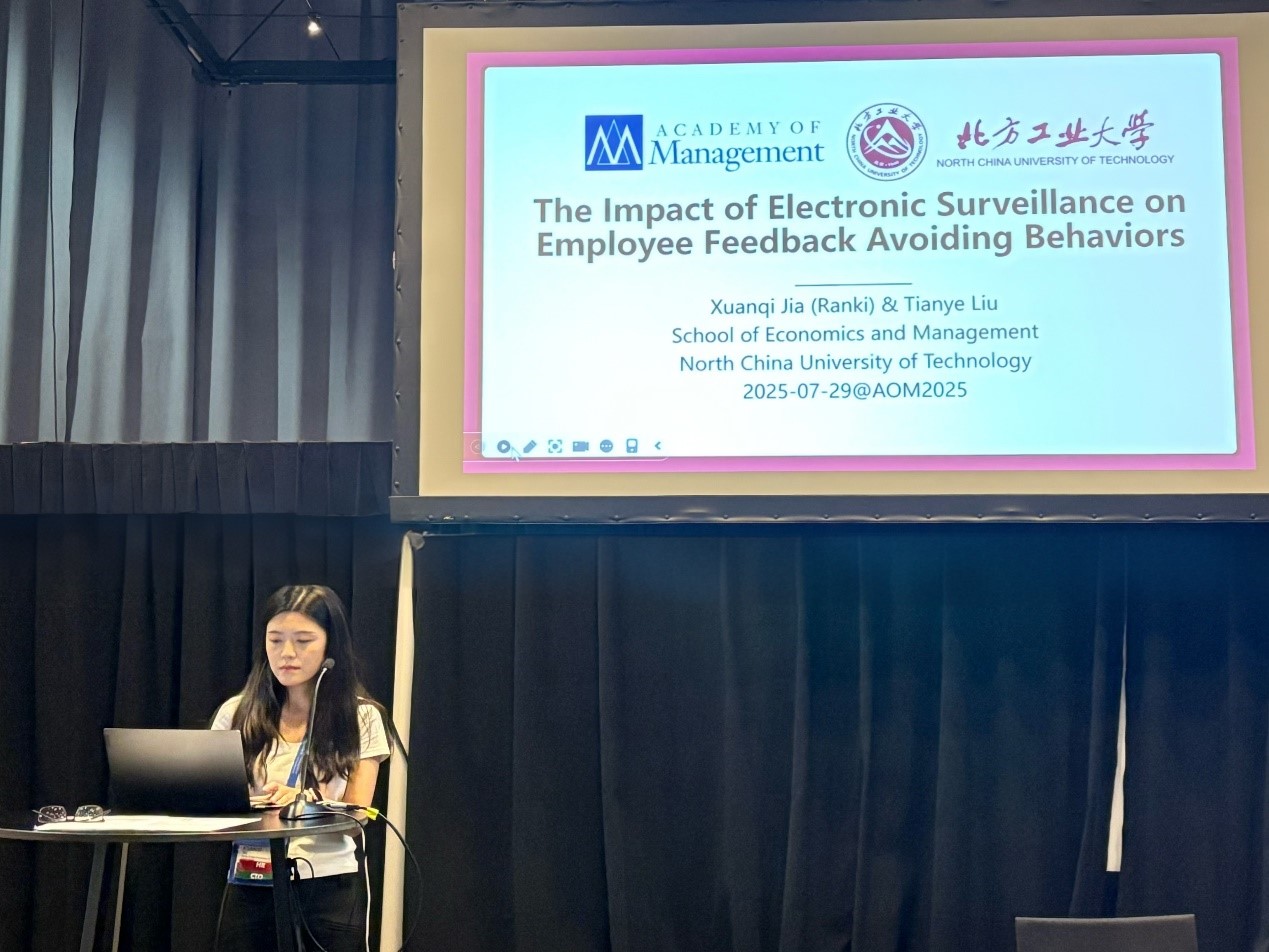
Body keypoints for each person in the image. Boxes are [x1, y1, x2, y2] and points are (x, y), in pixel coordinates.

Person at [212, 584, 394, 952]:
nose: (287, 653)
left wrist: (302, 804)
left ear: (330, 647)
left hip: (328, 885)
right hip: (250, 877)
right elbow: (211, 797)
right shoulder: (237, 713)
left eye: (303, 641)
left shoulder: (362, 717)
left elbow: (358, 815)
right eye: (275, 640)